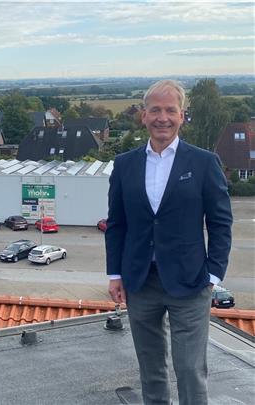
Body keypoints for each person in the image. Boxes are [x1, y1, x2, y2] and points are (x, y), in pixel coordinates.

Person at [105, 80, 232, 405]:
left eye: (170, 110)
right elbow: (117, 224)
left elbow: (220, 222)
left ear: (182, 116)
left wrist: (214, 275)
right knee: (151, 370)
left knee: (189, 370)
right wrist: (115, 274)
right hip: (140, 283)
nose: (163, 117)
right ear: (144, 116)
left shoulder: (204, 163)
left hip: (190, 284)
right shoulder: (125, 164)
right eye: (155, 110)